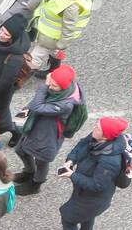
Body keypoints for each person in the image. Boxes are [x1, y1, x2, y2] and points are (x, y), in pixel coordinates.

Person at [43, 117, 131, 230]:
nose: (93, 128)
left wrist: (72, 175)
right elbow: (82, 145)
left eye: (97, 127)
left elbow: (97, 185)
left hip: (94, 199)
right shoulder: (98, 139)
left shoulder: (110, 161)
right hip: (86, 195)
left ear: (105, 136)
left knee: (68, 217)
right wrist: (71, 160)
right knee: (87, 216)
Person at [13, 63, 86, 197]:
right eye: (50, 83)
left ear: (63, 87)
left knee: (42, 160)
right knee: (20, 150)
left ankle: (36, 184)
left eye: (53, 85)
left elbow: (37, 106)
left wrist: (44, 87)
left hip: (48, 136)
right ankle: (29, 172)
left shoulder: (66, 104)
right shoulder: (59, 91)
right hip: (37, 127)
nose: (50, 86)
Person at [26, 0, 92, 75]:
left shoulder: (71, 5)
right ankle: (55, 67)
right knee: (54, 50)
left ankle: (20, 78)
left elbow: (69, 26)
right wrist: (30, 6)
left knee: (36, 56)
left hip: (51, 36)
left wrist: (63, 43)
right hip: (46, 31)